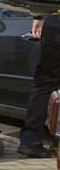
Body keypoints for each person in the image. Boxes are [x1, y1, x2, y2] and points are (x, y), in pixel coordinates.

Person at [20, 13, 60, 158]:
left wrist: (38, 16)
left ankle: (30, 141)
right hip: (53, 21)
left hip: (53, 20)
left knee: (45, 84)